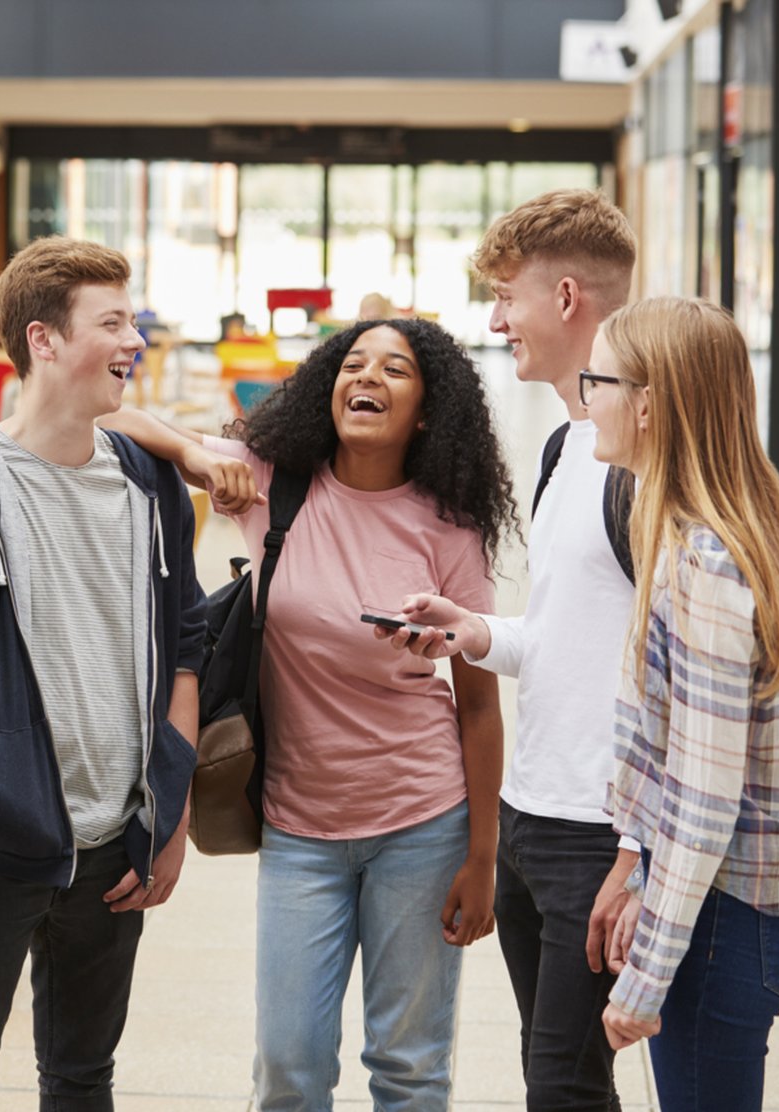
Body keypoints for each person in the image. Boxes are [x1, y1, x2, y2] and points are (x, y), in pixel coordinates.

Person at [103, 314, 515, 1111]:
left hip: (422, 822)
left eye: (395, 370)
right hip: (298, 829)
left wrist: (484, 854)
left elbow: (479, 709)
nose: (367, 378)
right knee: (289, 1069)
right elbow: (107, 414)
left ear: (427, 411)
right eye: (353, 364)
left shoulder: (450, 528)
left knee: (409, 1068)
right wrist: (196, 456)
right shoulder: (271, 483)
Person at [0, 236, 207, 1111]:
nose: (135, 341)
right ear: (43, 340)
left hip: (116, 848)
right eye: (114, 322)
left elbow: (187, 645)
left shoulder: (148, 481)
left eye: (134, 319)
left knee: (84, 1078)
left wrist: (170, 812)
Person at [383, 189, 641, 1111]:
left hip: (600, 828)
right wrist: (476, 632)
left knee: (565, 1090)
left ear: (567, 297)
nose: (495, 319)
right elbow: (572, 640)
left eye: (506, 294)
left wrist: (640, 852)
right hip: (535, 814)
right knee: (558, 1082)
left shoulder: (644, 462)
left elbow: (690, 669)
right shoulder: (572, 445)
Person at [586, 297, 779, 1110]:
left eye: (601, 380)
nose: (589, 398)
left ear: (649, 404)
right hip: (728, 910)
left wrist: (646, 977)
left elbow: (704, 796)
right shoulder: (714, 534)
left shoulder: (707, 567)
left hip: (730, 921)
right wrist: (634, 864)